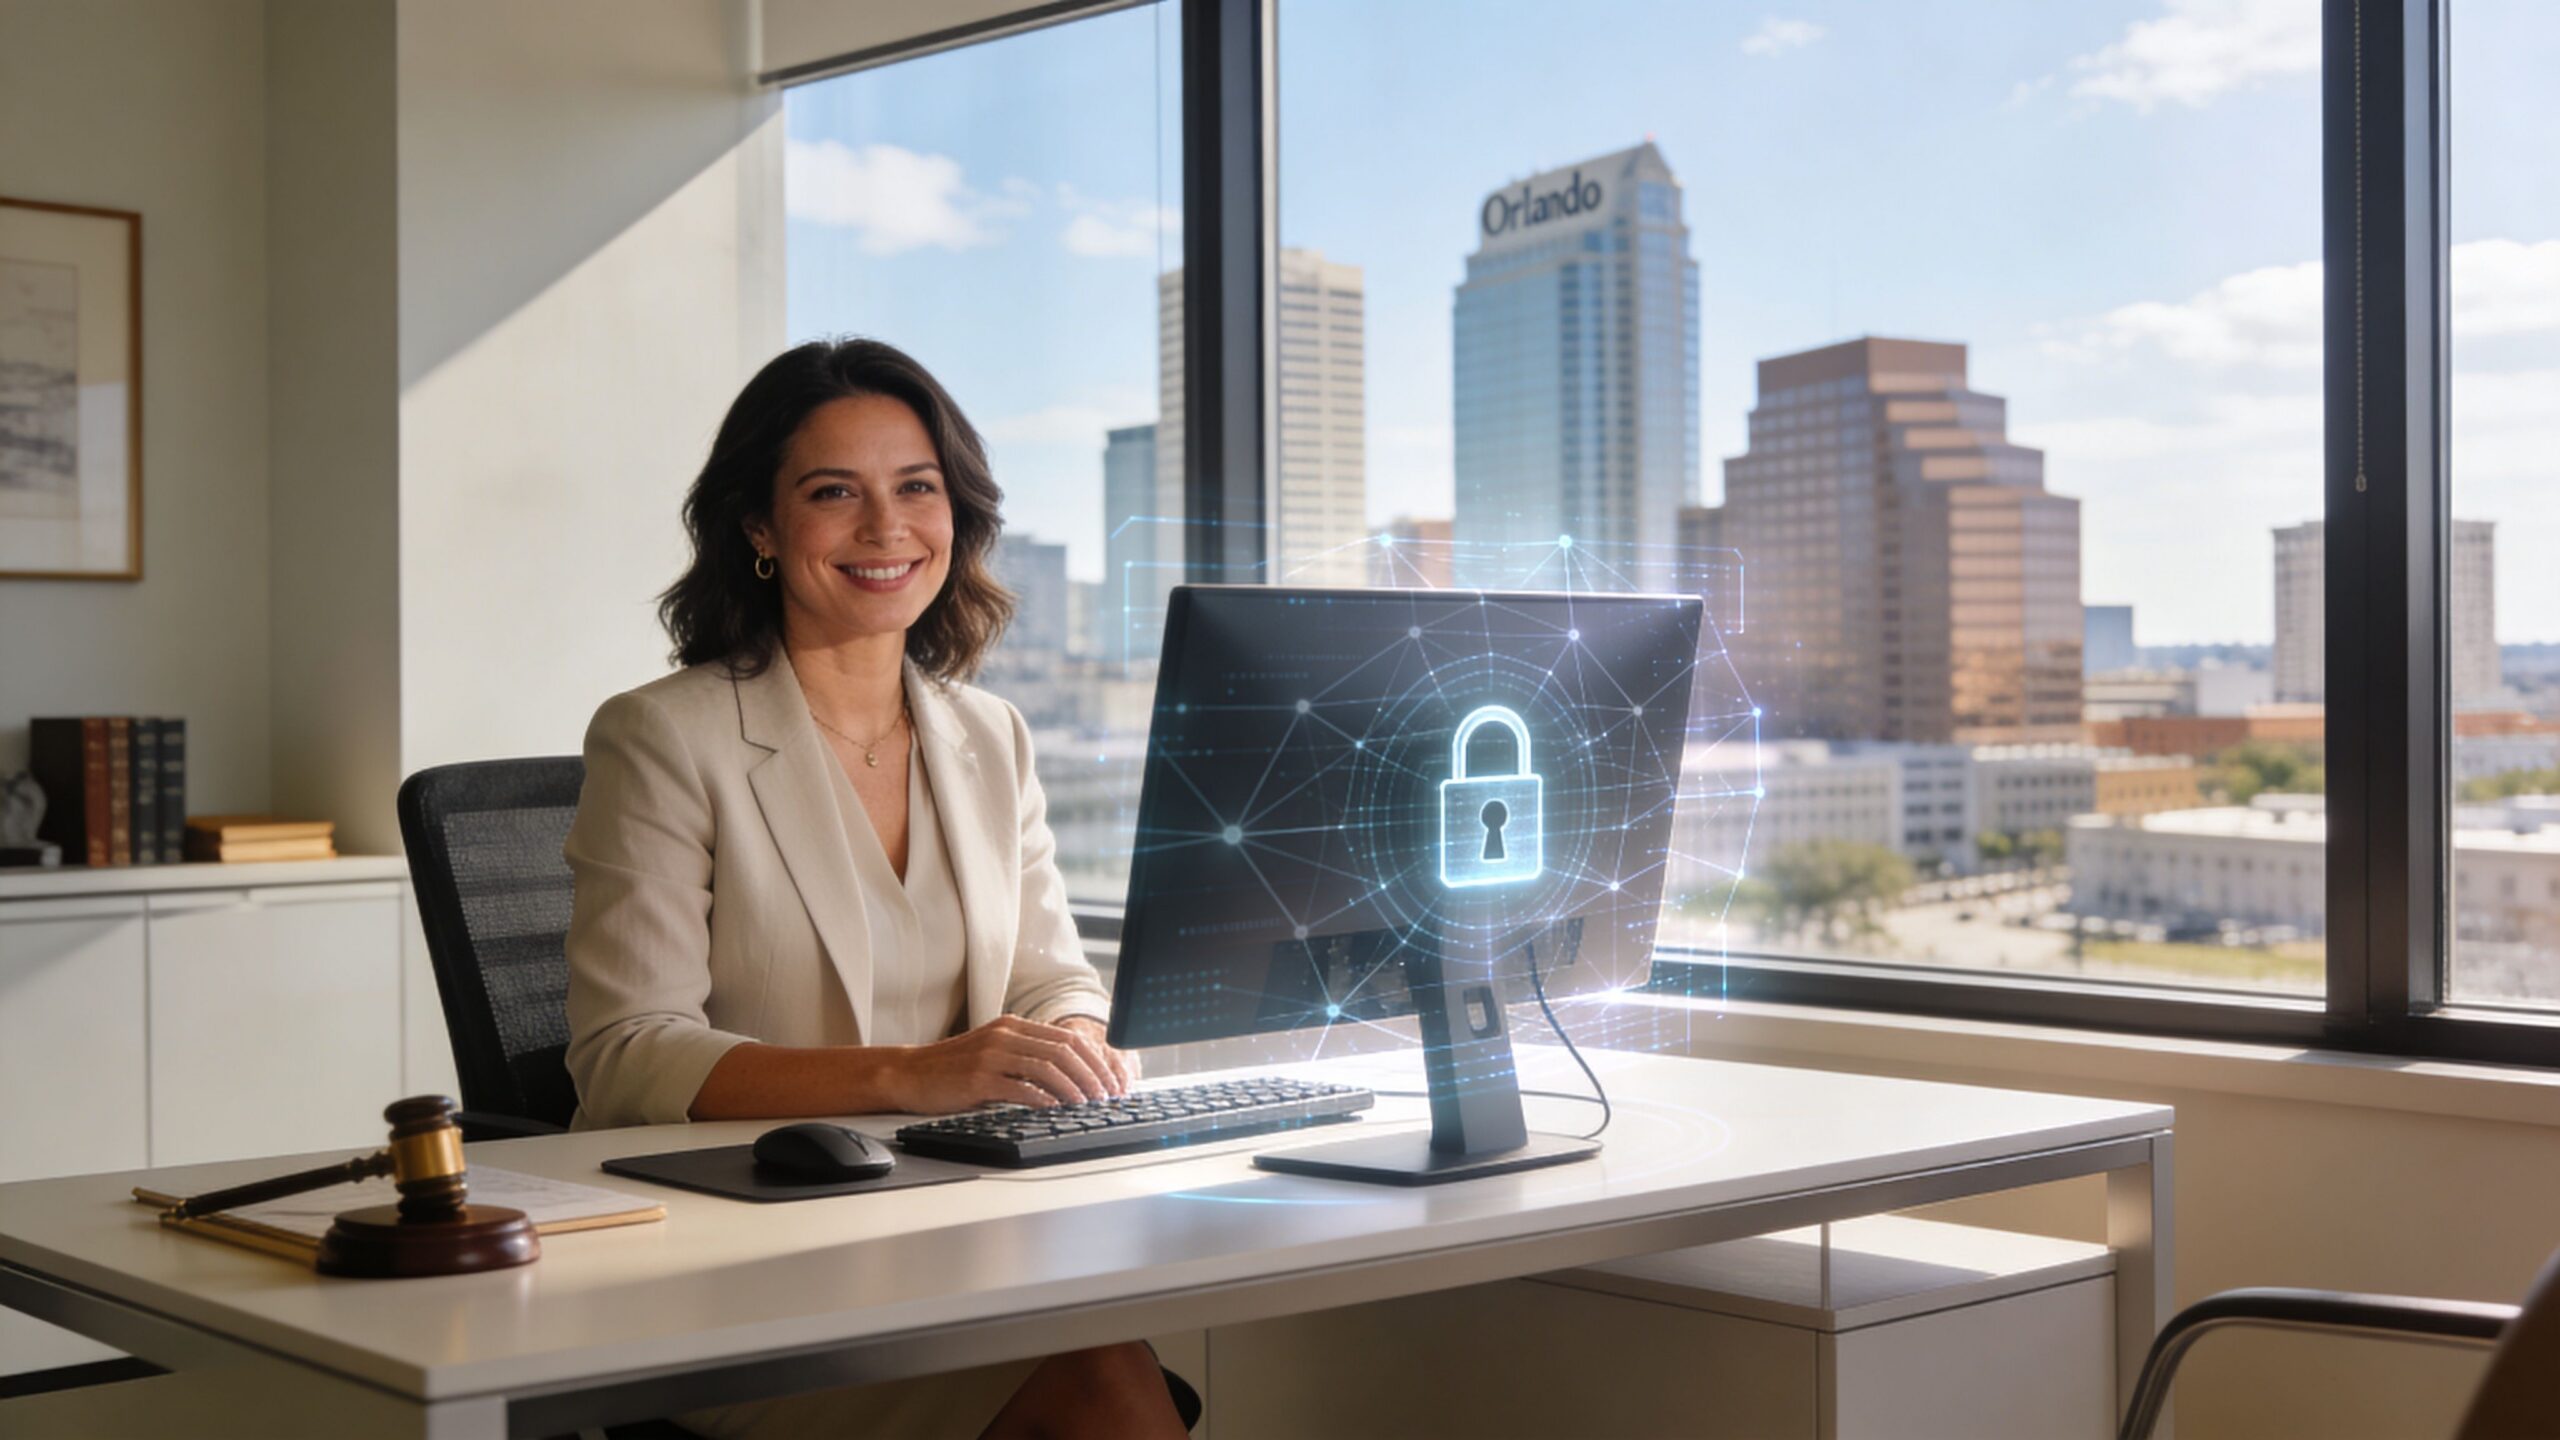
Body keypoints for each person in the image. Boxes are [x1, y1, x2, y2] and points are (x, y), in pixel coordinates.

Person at [563, 338, 1190, 1439]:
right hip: (750, 1262)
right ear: (759, 527)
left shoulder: (989, 736)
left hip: (968, 1236)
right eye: (831, 493)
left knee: (1111, 1339)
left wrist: (1077, 1041)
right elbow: (626, 1055)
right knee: (1101, 1374)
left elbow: (1052, 976)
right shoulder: (664, 735)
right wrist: (912, 1075)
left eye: (916, 488)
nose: (885, 528)